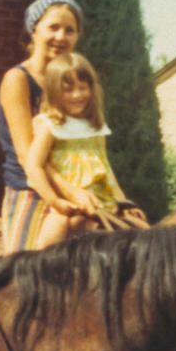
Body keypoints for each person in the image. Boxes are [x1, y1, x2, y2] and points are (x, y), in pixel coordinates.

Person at [0, 0, 92, 252]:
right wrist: (71, 193)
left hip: (76, 189)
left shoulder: (73, 86)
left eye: (69, 30)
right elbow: (27, 155)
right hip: (30, 189)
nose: (61, 37)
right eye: (53, 27)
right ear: (34, 30)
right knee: (24, 274)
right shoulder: (18, 79)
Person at [24, 52, 145, 248]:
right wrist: (54, 200)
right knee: (50, 243)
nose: (77, 95)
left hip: (102, 201)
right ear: (54, 92)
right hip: (68, 204)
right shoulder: (50, 125)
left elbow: (106, 168)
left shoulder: (95, 126)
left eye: (82, 88)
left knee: (143, 230)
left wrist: (124, 202)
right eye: (68, 90)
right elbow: (34, 166)